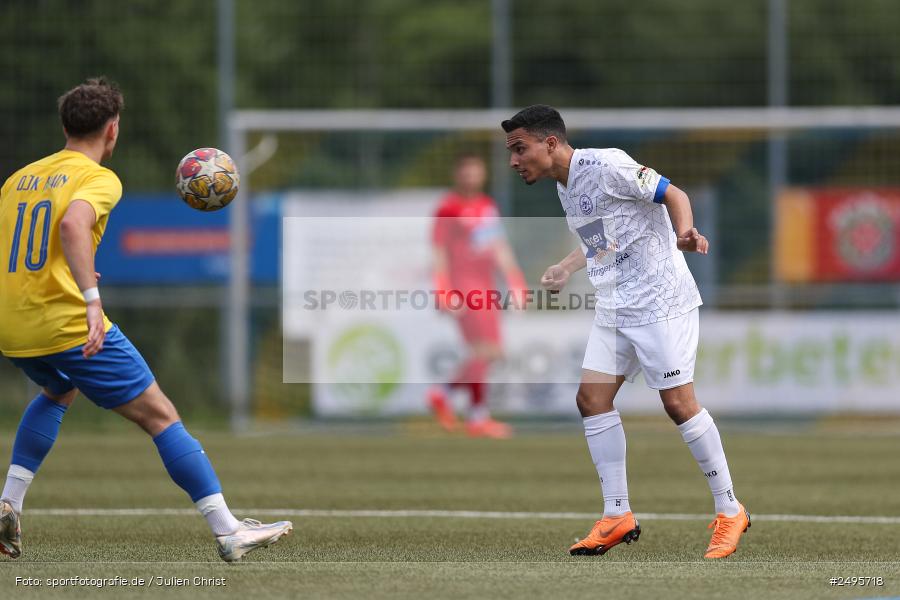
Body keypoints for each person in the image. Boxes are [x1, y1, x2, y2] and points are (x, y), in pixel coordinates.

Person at [0, 77, 291, 562]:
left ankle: (8, 503)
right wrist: (91, 299)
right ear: (112, 129)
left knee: (58, 390)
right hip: (66, 323)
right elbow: (72, 224)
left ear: (65, 126)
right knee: (161, 415)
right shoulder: (99, 178)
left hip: (13, 326)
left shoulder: (19, 179)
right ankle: (228, 530)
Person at [502, 105, 749, 559]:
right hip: (615, 305)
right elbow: (600, 239)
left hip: (659, 302)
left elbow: (673, 193)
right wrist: (566, 266)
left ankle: (730, 509)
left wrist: (685, 232)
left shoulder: (607, 164)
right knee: (591, 400)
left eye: (520, 149)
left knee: (678, 404)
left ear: (550, 143)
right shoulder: (565, 185)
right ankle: (617, 514)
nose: (514, 161)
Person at [428, 154, 527, 439]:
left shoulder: (486, 206)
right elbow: (438, 251)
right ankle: (467, 409)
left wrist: (515, 280)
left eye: (476, 172)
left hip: (487, 285)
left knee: (486, 354)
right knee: (487, 351)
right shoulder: (448, 208)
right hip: (464, 285)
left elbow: (498, 246)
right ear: (457, 175)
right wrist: (443, 289)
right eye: (467, 172)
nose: (472, 177)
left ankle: (457, 404)